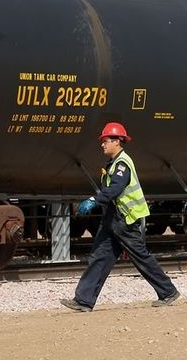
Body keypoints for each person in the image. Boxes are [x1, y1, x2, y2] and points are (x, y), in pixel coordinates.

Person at [60, 122, 180, 312]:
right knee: (99, 257)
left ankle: (168, 291)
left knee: (140, 257)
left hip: (125, 219)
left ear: (117, 141)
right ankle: (83, 300)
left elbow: (115, 188)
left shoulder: (122, 163)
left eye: (106, 140)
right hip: (112, 218)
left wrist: (94, 200)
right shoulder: (113, 163)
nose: (102, 144)